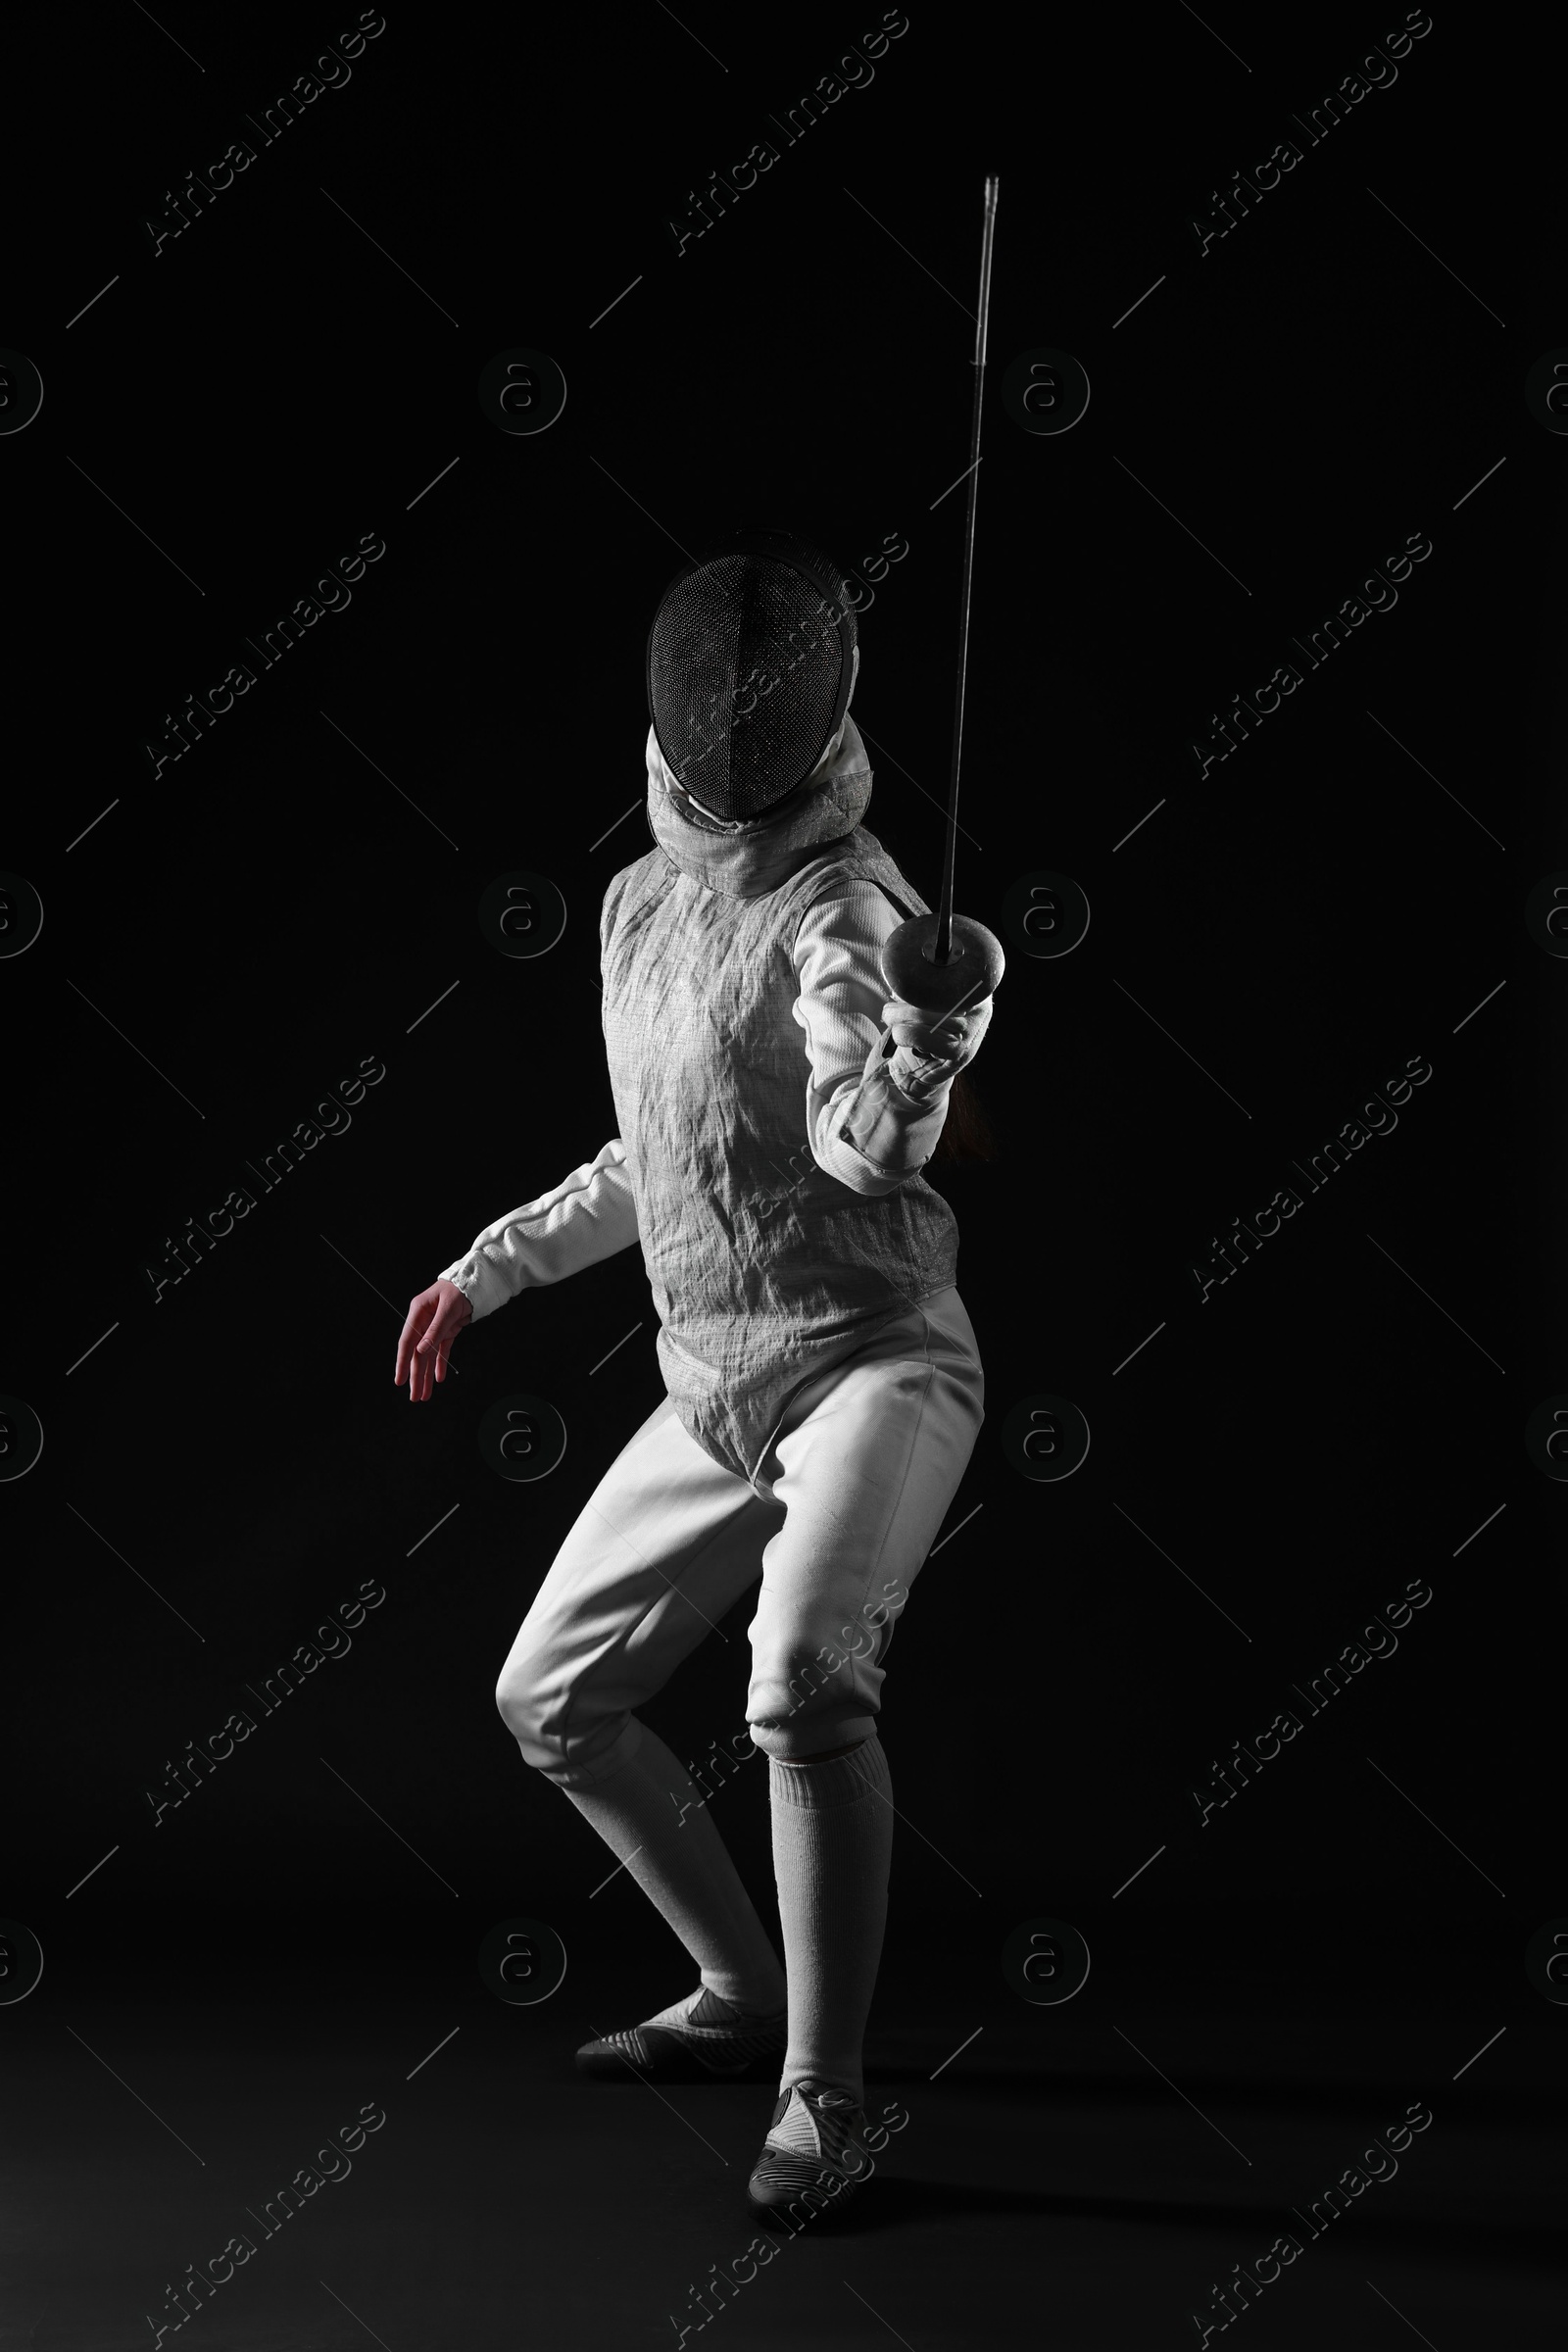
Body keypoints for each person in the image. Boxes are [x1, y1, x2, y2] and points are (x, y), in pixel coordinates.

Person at [393, 529, 995, 2222]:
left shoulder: (849, 912)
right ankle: (739, 2000)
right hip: (717, 1383)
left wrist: (920, 1056)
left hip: (878, 1358)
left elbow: (859, 1152)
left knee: (801, 1686)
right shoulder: (641, 903)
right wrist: (483, 1266)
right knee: (553, 1698)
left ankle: (828, 2088)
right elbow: (656, 1156)